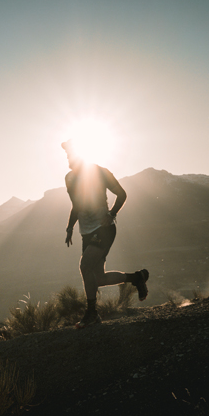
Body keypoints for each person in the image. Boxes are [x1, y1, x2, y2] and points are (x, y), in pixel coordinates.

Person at [62, 139, 148, 329]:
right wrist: (70, 227)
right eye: (67, 156)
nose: (68, 159)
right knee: (98, 278)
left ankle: (92, 313)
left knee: (85, 266)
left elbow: (122, 194)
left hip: (104, 228)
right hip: (86, 231)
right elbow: (76, 206)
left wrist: (112, 214)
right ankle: (137, 277)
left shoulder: (102, 172)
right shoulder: (69, 178)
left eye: (72, 155)